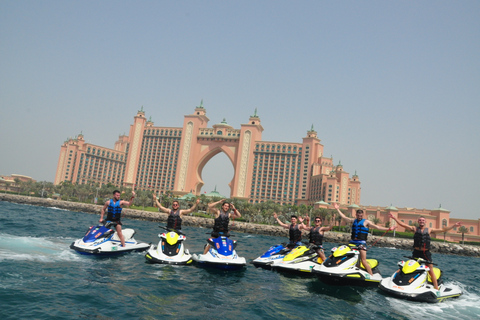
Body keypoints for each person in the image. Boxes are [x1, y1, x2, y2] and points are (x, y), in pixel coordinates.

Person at [389, 214, 461, 290]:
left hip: (425, 253)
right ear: (418, 222)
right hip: (416, 252)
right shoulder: (414, 229)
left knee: (430, 270)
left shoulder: (430, 230)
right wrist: (395, 218)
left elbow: (443, 229)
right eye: (420, 220)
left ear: (425, 222)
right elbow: (403, 225)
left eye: (423, 220)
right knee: (408, 267)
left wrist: (453, 226)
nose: (421, 221)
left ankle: (436, 288)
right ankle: (396, 281)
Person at [333, 202, 396, 276]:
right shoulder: (353, 220)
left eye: (361, 215)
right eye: (358, 215)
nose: (359, 216)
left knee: (363, 260)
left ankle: (371, 275)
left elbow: (377, 227)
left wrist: (389, 228)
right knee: (346, 254)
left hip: (361, 243)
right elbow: (344, 217)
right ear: (356, 215)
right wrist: (337, 209)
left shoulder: (366, 222)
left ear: (362, 215)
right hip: (352, 242)